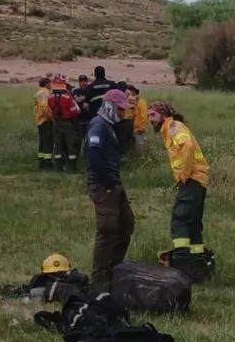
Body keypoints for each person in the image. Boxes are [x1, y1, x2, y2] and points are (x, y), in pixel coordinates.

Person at [148, 101, 211, 276]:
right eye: (148, 116)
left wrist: (184, 173)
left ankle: (182, 264)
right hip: (199, 180)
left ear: (164, 114)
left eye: (152, 115)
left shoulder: (173, 126)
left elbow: (188, 146)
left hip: (191, 179)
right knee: (193, 223)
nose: (149, 120)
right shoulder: (170, 129)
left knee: (180, 219)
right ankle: (198, 264)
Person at [85, 88, 134, 289]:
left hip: (113, 184)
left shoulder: (107, 126)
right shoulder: (98, 126)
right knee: (107, 231)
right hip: (104, 186)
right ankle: (100, 280)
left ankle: (114, 268)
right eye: (120, 109)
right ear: (108, 106)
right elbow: (94, 156)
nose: (123, 113)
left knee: (126, 224)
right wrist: (107, 182)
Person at [48, 77, 81, 172]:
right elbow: (76, 111)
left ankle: (58, 166)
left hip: (56, 123)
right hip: (68, 123)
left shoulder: (50, 98)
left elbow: (49, 110)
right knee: (71, 144)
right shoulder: (68, 97)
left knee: (58, 144)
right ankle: (71, 166)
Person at [34, 77, 53, 170]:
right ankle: (47, 163)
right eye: (50, 83)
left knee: (42, 142)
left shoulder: (39, 92)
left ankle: (41, 161)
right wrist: (51, 117)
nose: (51, 85)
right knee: (47, 142)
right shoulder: (45, 93)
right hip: (45, 120)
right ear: (46, 84)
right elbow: (45, 107)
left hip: (39, 120)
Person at [114, 81, 135, 153]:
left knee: (121, 140)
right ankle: (129, 154)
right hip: (130, 121)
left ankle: (122, 156)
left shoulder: (121, 96)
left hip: (123, 121)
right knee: (128, 140)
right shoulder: (132, 97)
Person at [128, 85, 149, 152]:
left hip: (138, 130)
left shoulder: (141, 102)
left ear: (134, 92)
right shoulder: (128, 103)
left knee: (140, 150)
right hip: (131, 130)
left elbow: (144, 117)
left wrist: (140, 128)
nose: (129, 95)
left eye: (130, 92)